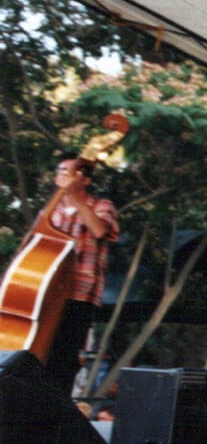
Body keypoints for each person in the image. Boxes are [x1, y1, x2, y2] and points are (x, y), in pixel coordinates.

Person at [42, 156, 119, 396]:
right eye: (61, 171)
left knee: (64, 357)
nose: (63, 176)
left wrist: (73, 195)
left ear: (84, 179)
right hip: (48, 292)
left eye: (71, 172)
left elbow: (98, 230)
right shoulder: (50, 210)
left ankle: (56, 416)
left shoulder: (101, 206)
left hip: (80, 294)